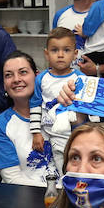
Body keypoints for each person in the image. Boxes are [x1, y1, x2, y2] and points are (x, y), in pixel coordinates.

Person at [0, 51, 57, 186]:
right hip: (23, 195)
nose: (16, 79)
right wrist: (55, 189)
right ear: (4, 84)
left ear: (37, 76)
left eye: (23, 72)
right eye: (8, 75)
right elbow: (12, 179)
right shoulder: (0, 125)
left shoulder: (58, 111)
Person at [33, 27, 81, 172]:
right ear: (46, 54)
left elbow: (86, 108)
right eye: (54, 50)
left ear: (75, 54)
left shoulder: (80, 78)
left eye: (66, 50)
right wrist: (36, 133)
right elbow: (35, 105)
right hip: (46, 135)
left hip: (71, 136)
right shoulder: (41, 79)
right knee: (47, 170)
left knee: (70, 169)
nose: (60, 55)